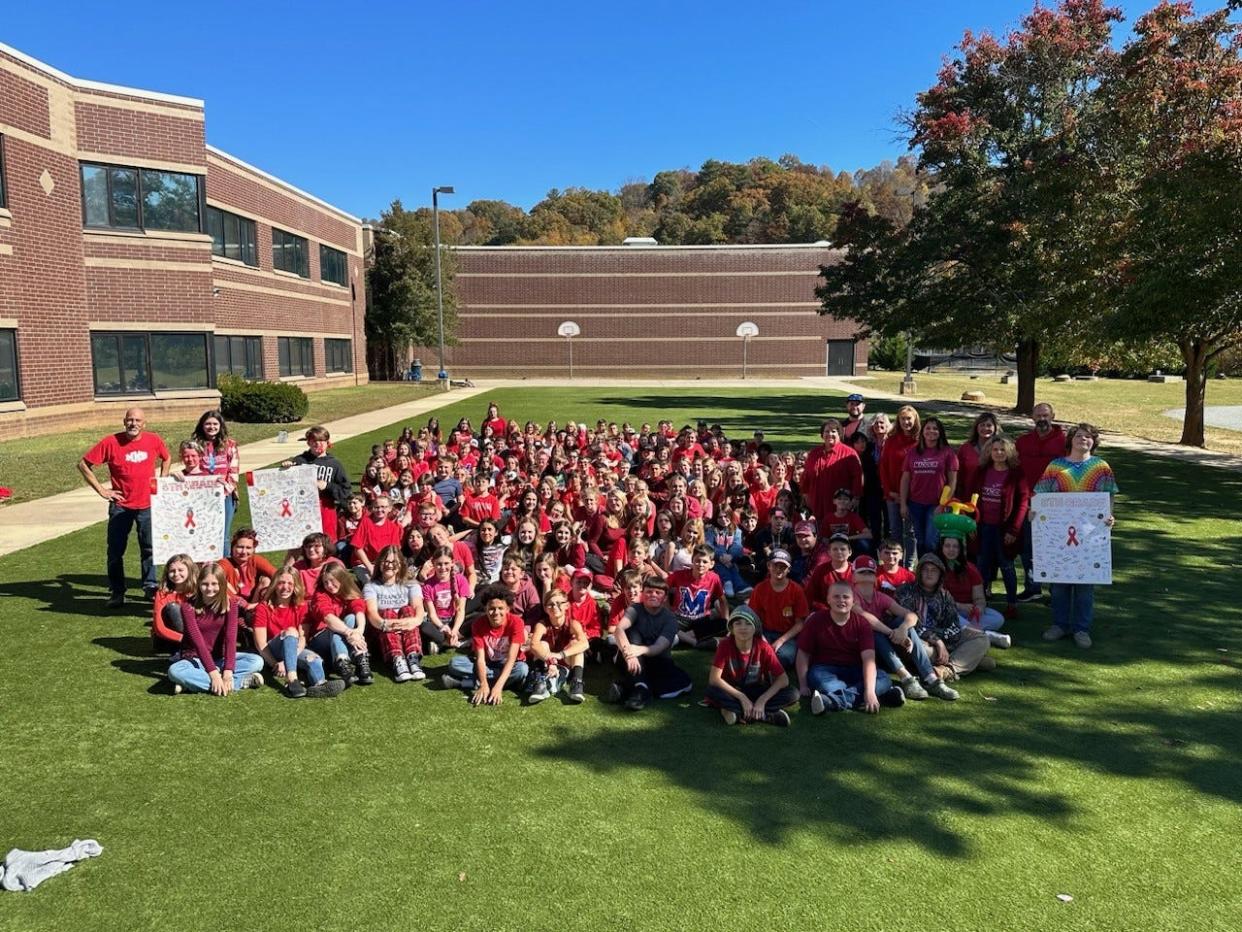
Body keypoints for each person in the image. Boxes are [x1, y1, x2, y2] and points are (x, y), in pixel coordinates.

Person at [1034, 423, 1118, 649]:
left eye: (1088, 437)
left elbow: (1109, 496)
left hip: (1090, 534)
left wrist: (1110, 516)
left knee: (1085, 584)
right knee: (1060, 582)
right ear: (1070, 440)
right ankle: (1059, 625)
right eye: (1079, 436)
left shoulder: (1101, 467)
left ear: (1094, 442)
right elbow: (1041, 495)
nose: (1083, 440)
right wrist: (1037, 513)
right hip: (1059, 534)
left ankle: (1081, 629)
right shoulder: (1056, 466)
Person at [78, 408, 171, 606]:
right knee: (115, 551)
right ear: (124, 421)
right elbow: (83, 465)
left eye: (138, 420)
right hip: (121, 506)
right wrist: (102, 491)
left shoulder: (153, 440)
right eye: (130, 420)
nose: (133, 424)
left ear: (144, 424)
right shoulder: (110, 442)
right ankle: (117, 592)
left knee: (149, 548)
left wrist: (162, 481)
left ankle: (150, 587)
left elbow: (167, 458)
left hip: (147, 505)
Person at [851, 556, 958, 701]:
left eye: (870, 572)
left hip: (886, 646)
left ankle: (931, 678)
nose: (867, 575)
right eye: (862, 572)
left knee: (902, 621)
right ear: (854, 575)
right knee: (873, 632)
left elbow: (911, 615)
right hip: (860, 648)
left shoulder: (879, 596)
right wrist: (893, 633)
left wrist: (902, 629)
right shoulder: (849, 595)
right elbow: (866, 618)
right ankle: (906, 678)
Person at [795, 580, 903, 714]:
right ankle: (881, 696)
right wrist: (803, 685)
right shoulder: (816, 620)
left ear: (853, 601)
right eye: (836, 596)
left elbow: (868, 660)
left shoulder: (862, 623)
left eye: (846, 597)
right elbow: (803, 654)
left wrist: (869, 691)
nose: (841, 600)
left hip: (855, 669)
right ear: (828, 600)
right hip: (825, 669)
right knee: (820, 681)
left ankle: (831, 702)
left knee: (883, 678)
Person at [167, 562, 265, 695]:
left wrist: (228, 671)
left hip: (221, 658)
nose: (209, 588)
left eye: (214, 584)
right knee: (175, 671)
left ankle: (192, 683)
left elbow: (231, 639)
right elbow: (198, 643)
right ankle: (240, 682)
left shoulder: (231, 604)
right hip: (196, 658)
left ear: (222, 584)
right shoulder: (188, 606)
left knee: (256, 661)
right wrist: (214, 674)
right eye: (205, 584)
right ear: (198, 584)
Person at [893, 554, 991, 681]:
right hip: (920, 641)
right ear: (919, 572)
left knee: (982, 638)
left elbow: (954, 626)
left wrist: (942, 642)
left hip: (945, 640)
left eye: (934, 570)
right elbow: (911, 625)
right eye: (925, 570)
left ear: (940, 574)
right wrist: (938, 642)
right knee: (919, 649)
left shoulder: (945, 595)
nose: (929, 573)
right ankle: (966, 659)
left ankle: (948, 669)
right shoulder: (905, 591)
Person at [253, 568, 344, 699]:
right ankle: (292, 680)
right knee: (290, 631)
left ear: (295, 586)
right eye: (281, 583)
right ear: (274, 584)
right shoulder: (263, 607)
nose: (285, 587)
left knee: (314, 658)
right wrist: (274, 664)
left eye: (290, 583)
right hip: (273, 650)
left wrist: (288, 660)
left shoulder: (301, 606)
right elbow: (260, 644)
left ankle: (320, 685)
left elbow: (303, 638)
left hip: (294, 649)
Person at [608, 575, 693, 711]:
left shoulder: (670, 619)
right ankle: (640, 691)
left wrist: (639, 650)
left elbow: (659, 647)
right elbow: (619, 629)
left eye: (658, 593)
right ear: (643, 593)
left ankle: (628, 688)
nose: (653, 595)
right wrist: (630, 654)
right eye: (649, 591)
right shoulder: (635, 609)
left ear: (664, 598)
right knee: (631, 632)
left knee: (683, 683)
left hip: (655, 659)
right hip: (629, 658)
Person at [705, 605, 798, 727]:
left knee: (793, 693)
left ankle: (739, 712)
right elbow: (714, 679)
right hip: (733, 691)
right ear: (732, 628)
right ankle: (766, 715)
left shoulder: (764, 647)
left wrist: (762, 700)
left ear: (755, 628)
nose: (743, 628)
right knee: (712, 691)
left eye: (748, 624)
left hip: (756, 690)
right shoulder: (724, 645)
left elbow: (783, 680)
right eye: (738, 623)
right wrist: (741, 697)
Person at [970, 436, 1030, 620]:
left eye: (1002, 450)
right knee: (981, 566)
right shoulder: (981, 472)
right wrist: (971, 523)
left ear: (1009, 452)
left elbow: (1023, 502)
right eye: (995, 449)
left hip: (1004, 529)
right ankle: (979, 603)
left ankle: (1012, 603)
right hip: (983, 527)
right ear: (989, 452)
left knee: (1007, 566)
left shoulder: (1016, 474)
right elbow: (972, 499)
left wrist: (1014, 530)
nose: (998, 453)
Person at [441, 585, 530, 705]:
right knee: (455, 663)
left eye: (500, 608)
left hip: (509, 664)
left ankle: (465, 683)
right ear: (486, 608)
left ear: (508, 609)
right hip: (488, 664)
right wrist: (483, 684)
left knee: (522, 670)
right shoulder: (478, 624)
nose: (496, 612)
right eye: (492, 608)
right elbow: (480, 659)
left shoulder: (516, 622)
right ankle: (509, 683)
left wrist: (498, 688)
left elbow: (511, 659)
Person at [1015, 402, 1067, 602]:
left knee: (1055, 547)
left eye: (1045, 415)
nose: (1042, 419)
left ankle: (1056, 590)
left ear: (1053, 416)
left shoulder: (1064, 441)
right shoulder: (1023, 441)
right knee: (1028, 547)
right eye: (1038, 415)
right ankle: (1033, 586)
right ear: (1032, 417)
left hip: (1056, 504)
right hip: (1029, 502)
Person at [363, 546, 427, 683]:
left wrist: (408, 622)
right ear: (379, 563)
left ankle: (412, 658)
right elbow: (372, 615)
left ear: (401, 564)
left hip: (407, 626)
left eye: (393, 562)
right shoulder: (371, 586)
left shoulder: (411, 584)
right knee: (387, 612)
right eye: (385, 561)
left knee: (408, 610)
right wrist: (388, 624)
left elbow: (419, 610)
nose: (389, 565)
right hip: (381, 630)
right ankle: (398, 660)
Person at [935, 535, 1011, 648]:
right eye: (947, 546)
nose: (951, 549)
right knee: (949, 616)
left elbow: (979, 598)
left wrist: (979, 608)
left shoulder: (970, 569)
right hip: (946, 610)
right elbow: (936, 599)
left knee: (998, 618)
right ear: (941, 548)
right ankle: (985, 635)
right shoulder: (936, 568)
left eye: (955, 546)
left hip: (967, 613)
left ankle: (966, 630)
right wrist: (960, 606)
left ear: (960, 550)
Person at [307, 563, 375, 686]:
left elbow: (359, 608)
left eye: (332, 581)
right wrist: (350, 633)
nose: (329, 586)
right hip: (320, 638)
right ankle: (350, 659)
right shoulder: (320, 595)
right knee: (336, 629)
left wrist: (359, 631)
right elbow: (328, 618)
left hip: (346, 637)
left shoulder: (350, 591)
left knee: (351, 617)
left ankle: (351, 661)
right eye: (326, 582)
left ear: (341, 578)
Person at [900, 416, 958, 559]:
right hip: (915, 503)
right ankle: (924, 574)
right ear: (922, 431)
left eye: (935, 428)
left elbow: (952, 481)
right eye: (928, 428)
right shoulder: (913, 452)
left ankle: (936, 570)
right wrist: (903, 504)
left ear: (940, 432)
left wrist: (943, 504)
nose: (931, 431)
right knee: (919, 542)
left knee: (931, 542)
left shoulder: (947, 452)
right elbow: (905, 479)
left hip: (936, 504)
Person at [285, 427, 351, 546]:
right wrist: (285, 469)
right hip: (303, 509)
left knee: (326, 544)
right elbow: (285, 487)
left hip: (325, 509)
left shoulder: (334, 464)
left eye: (322, 441)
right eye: (314, 441)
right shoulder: (300, 461)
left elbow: (345, 491)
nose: (318, 444)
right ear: (308, 443)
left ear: (327, 443)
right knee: (300, 545)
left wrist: (327, 486)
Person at [747, 548, 809, 668]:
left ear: (789, 569)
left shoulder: (796, 590)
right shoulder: (760, 589)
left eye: (783, 567)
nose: (778, 569)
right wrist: (762, 639)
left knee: (785, 656)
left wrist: (781, 641)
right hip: (764, 632)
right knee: (749, 649)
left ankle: (764, 666)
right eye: (775, 565)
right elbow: (753, 618)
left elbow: (800, 623)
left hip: (787, 635)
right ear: (768, 566)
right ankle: (763, 664)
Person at [526, 588, 589, 704]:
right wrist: (550, 661)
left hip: (565, 659)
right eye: (550, 604)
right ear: (545, 609)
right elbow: (534, 645)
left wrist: (560, 655)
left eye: (559, 603)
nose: (554, 607)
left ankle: (576, 683)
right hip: (546, 661)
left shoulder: (573, 623)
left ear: (567, 606)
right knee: (542, 644)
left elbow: (585, 643)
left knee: (576, 645)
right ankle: (540, 683)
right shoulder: (542, 624)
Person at [192, 410, 240, 557]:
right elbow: (191, 467)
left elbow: (234, 471)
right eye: (208, 424)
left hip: (225, 496)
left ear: (220, 426)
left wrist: (223, 492)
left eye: (215, 424)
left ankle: (224, 570)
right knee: (202, 533)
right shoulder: (196, 445)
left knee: (223, 535)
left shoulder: (230, 444)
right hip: (202, 496)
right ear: (202, 425)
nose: (211, 427)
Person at [801, 419, 863, 528]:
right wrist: (805, 494)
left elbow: (857, 477)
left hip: (840, 507)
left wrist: (855, 498)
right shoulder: (814, 453)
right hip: (817, 504)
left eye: (833, 431)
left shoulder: (849, 453)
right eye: (826, 431)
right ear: (822, 435)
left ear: (839, 434)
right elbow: (806, 475)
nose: (830, 434)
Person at [667, 544, 730, 649]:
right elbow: (663, 589)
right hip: (680, 619)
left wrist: (726, 620)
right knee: (666, 622)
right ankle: (694, 642)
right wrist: (668, 608)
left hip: (701, 620)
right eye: (697, 560)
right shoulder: (679, 575)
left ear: (711, 564)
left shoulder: (714, 578)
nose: (700, 564)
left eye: (705, 562)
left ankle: (682, 638)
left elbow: (722, 601)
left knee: (724, 625)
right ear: (692, 560)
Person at [879, 405, 920, 566]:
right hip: (892, 493)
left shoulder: (919, 442)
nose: (906, 422)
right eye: (903, 419)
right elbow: (883, 467)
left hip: (913, 495)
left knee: (911, 532)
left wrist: (907, 495)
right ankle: (895, 563)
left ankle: (909, 564)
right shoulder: (891, 440)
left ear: (915, 419)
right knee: (895, 530)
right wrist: (890, 491)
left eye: (909, 418)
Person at [152, 553, 197, 652]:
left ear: (189, 571)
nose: (176, 574)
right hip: (167, 640)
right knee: (173, 608)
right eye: (172, 571)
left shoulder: (197, 591)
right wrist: (184, 639)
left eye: (180, 570)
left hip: (193, 636)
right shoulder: (162, 593)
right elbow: (158, 627)